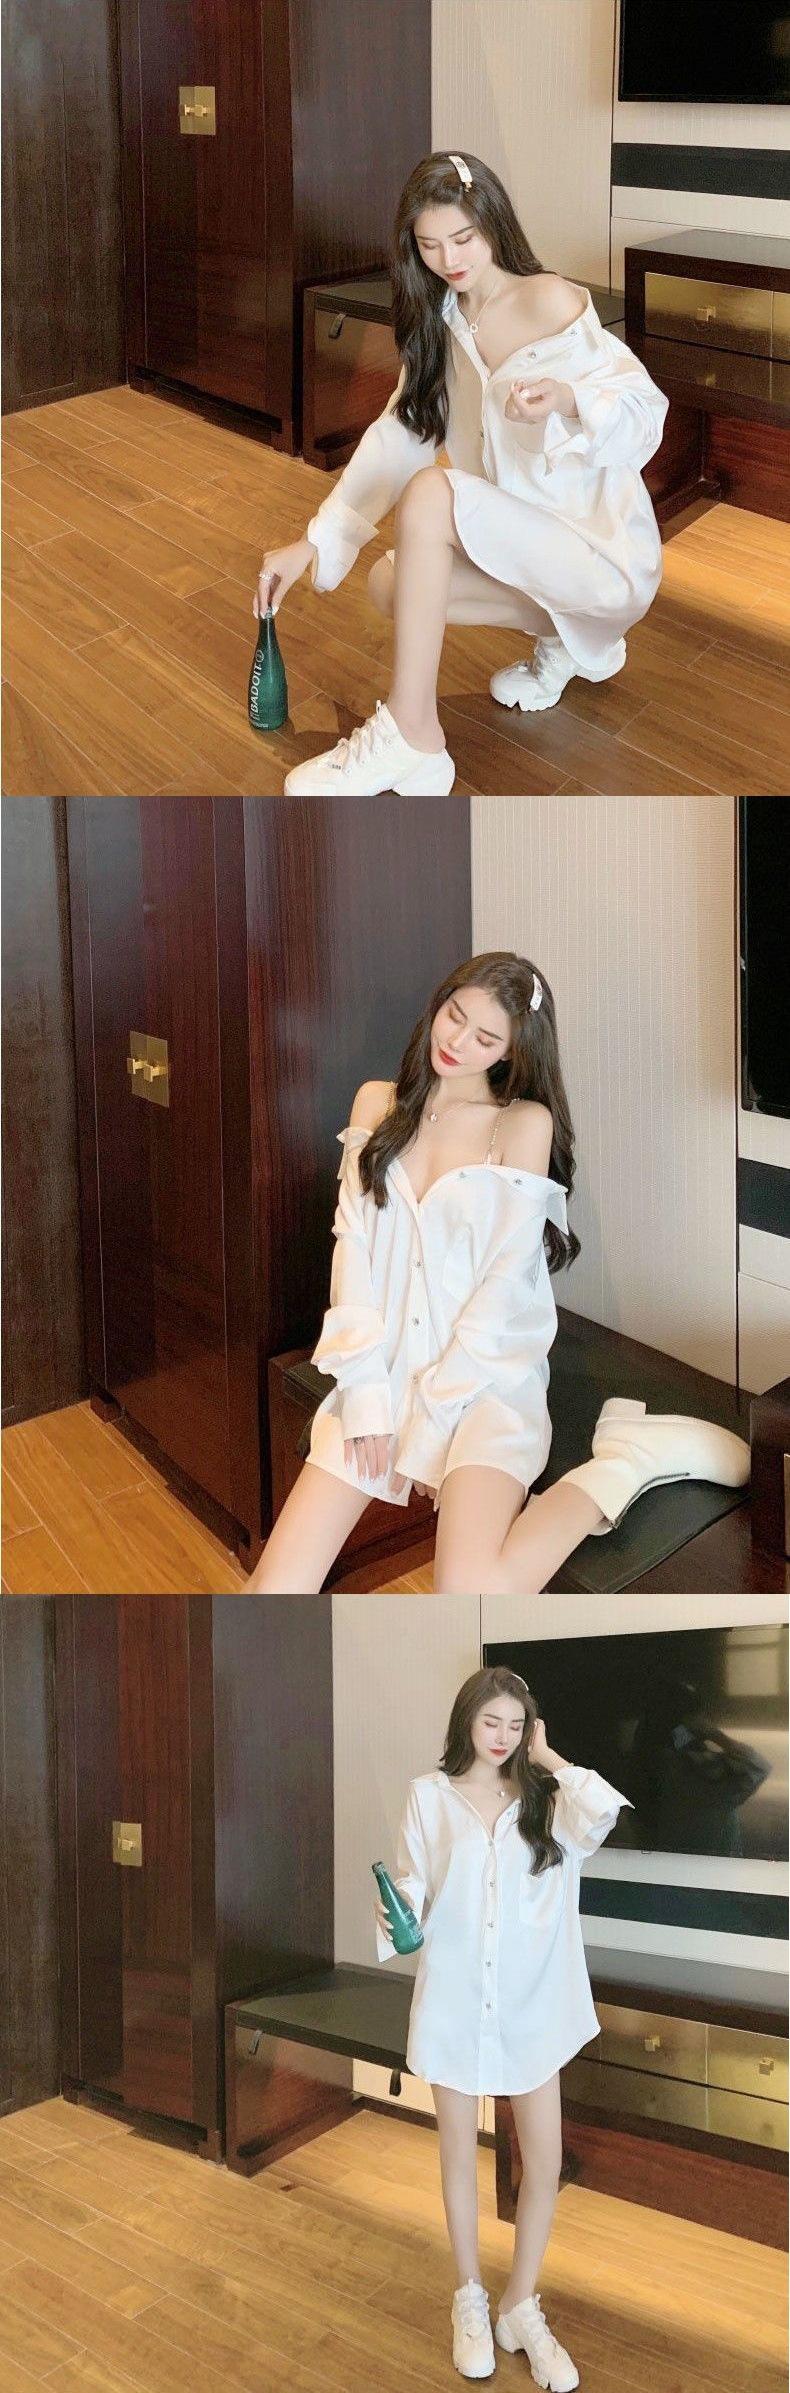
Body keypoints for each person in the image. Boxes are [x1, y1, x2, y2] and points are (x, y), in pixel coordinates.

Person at [243, 951, 749, 1593]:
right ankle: (619, 1459)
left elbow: (504, 1291)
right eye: (455, 1016)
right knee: (273, 1590)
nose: (458, 1042)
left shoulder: (522, 1125)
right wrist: (369, 1398)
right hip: (381, 1367)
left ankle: (622, 1465)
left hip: (484, 1381)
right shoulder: (377, 1102)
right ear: (440, 1002)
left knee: (469, 1590)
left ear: (512, 1051)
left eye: (486, 1038)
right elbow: (353, 1252)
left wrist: (433, 1420)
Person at [253, 149, 669, 796]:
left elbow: (646, 412)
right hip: (533, 552)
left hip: (602, 557)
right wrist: (312, 540)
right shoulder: (444, 323)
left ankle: (413, 736)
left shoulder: (546, 299)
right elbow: (401, 434)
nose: (450, 259)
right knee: (391, 584)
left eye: (463, 238)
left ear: (492, 223)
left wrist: (569, 399)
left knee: (431, 493)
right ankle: (570, 642)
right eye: (430, 246)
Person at [374, 1666, 633, 2384]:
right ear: (466, 1719)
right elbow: (413, 1881)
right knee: (458, 2155)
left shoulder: (550, 1799)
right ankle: (469, 2297)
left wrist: (547, 1756)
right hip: (457, 1999)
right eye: (492, 1721)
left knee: (543, 2162)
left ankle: (520, 2304)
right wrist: (397, 1912)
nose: (503, 1736)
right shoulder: (429, 1796)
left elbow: (604, 1810)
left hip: (532, 2007)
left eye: (517, 1726)